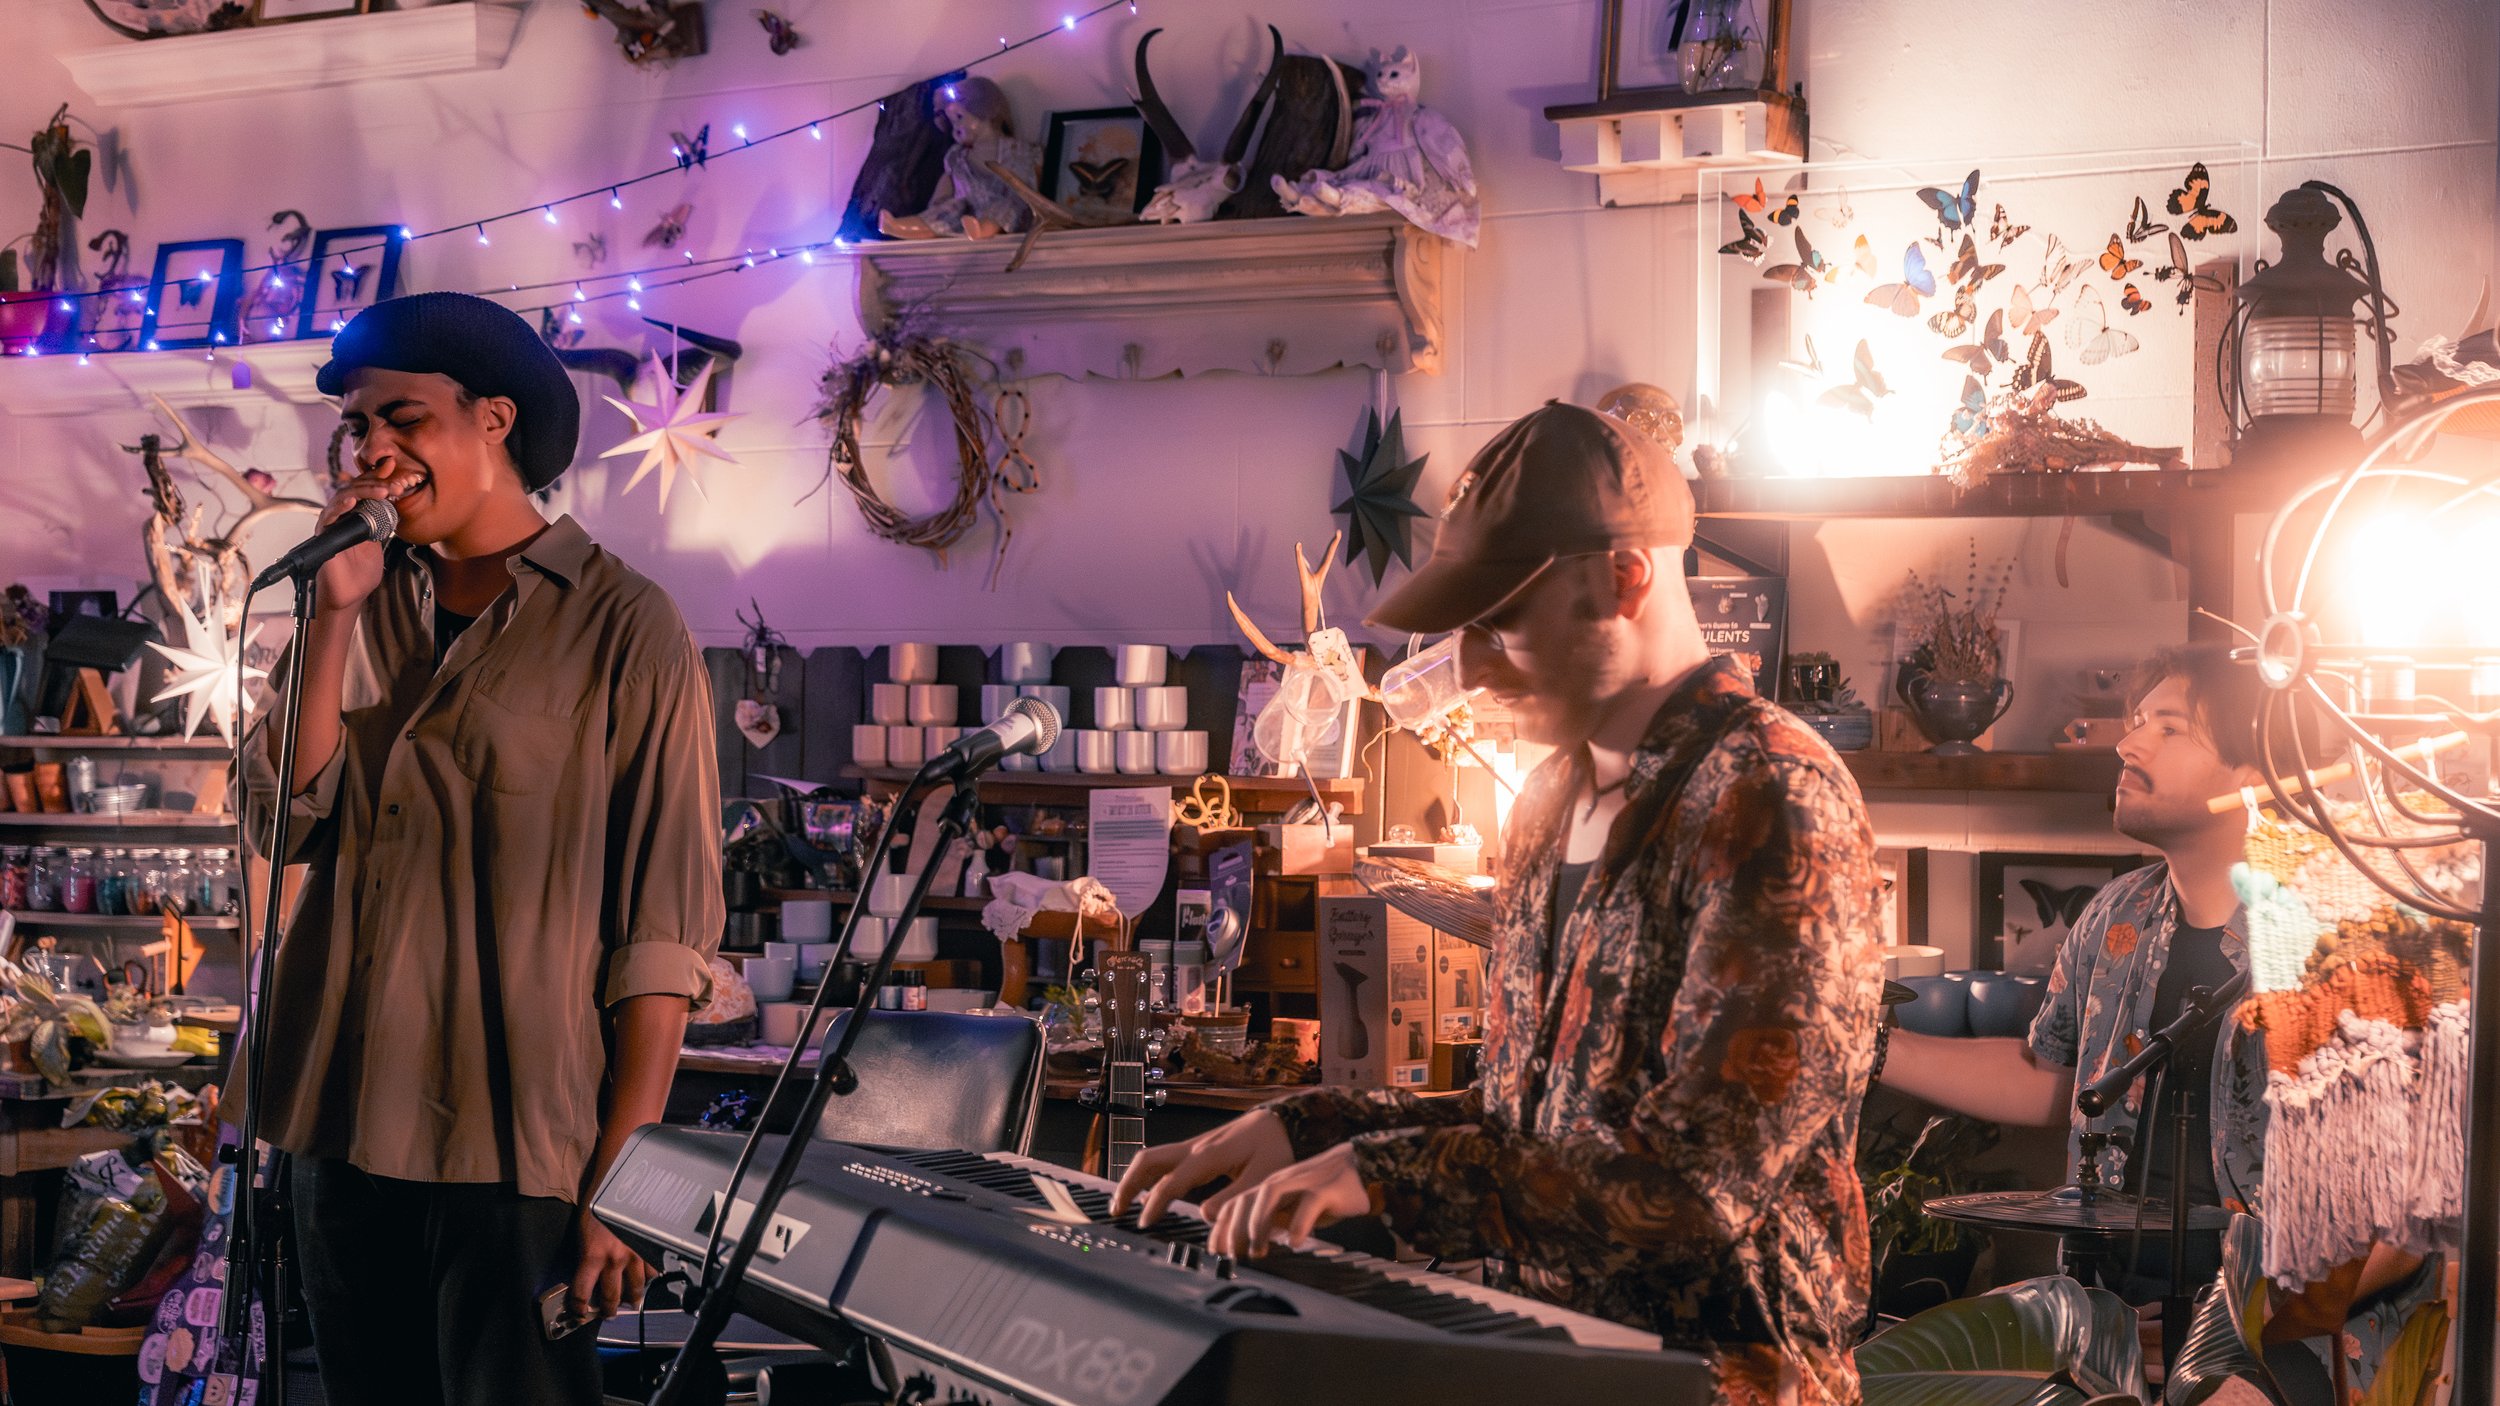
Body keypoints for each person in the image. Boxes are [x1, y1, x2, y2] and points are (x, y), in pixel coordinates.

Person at [1113, 402, 1884, 1405]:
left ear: (1624, 576)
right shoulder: (1550, 801)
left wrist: (1385, 1174)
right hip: (1555, 1367)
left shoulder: (1771, 797)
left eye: (1502, 620)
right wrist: (1304, 1126)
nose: (1468, 665)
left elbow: (1693, 1191)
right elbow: (1519, 1122)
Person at [244, 292, 725, 1406]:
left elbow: (663, 932)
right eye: (356, 428)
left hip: (519, 1144)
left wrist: (625, 1174)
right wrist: (328, 618)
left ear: (493, 419)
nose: (371, 450)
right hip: (340, 1116)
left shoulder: (624, 624)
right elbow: (290, 815)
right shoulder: (361, 601)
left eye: (402, 418)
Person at [1879, 644, 2430, 1399]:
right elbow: (2052, 1079)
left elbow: (2404, 1225)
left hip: (2294, 1343)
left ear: (2254, 774)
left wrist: (2229, 1337)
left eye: (2167, 728)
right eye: (2136, 722)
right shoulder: (2118, 915)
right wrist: (1870, 1042)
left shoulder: (2351, 937)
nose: (2126, 742)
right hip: (2115, 1321)